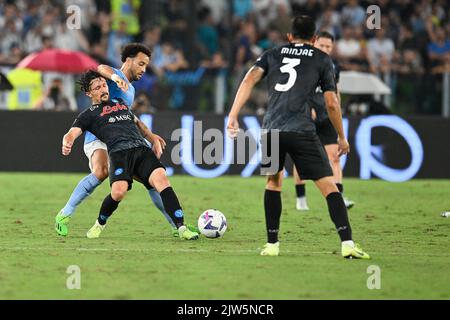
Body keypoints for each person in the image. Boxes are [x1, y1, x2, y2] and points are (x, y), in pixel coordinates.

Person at [226, 16, 370, 259]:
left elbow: (250, 78)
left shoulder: (273, 53)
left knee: (273, 183)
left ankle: (272, 245)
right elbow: (332, 103)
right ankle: (347, 243)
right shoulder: (322, 59)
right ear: (314, 39)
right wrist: (341, 136)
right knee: (328, 185)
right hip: (302, 129)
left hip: (272, 130)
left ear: (289, 37)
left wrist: (233, 115)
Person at [55, 43, 198, 237]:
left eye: (146, 65)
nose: (143, 69)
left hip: (122, 137)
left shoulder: (129, 90)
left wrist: (151, 136)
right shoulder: (113, 76)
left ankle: (176, 225)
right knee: (101, 171)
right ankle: (65, 214)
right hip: (98, 134)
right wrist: (113, 77)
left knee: (152, 182)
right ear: (128, 60)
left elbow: (131, 117)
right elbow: (100, 68)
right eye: (140, 63)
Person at [293, 31, 355, 211]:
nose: (325, 49)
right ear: (314, 43)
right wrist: (305, 108)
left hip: (327, 115)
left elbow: (336, 92)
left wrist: (338, 109)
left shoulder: (333, 66)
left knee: (334, 157)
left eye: (329, 46)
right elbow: (296, 91)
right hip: (306, 116)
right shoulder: (302, 64)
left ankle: (340, 196)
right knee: (301, 159)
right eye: (322, 46)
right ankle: (301, 198)